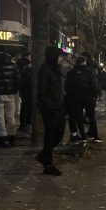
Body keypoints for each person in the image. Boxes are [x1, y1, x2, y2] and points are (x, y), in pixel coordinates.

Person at [35, 47, 66, 176]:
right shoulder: (45, 70)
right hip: (50, 109)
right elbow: (42, 91)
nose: (61, 59)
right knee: (51, 135)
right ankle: (48, 164)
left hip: (58, 107)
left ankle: (44, 155)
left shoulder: (56, 70)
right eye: (59, 56)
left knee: (59, 133)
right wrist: (50, 106)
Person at [65, 56, 100, 142]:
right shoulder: (88, 72)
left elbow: (67, 86)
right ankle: (95, 136)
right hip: (87, 97)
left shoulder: (71, 72)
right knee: (91, 116)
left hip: (75, 97)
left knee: (79, 117)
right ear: (84, 62)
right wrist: (94, 95)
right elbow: (93, 85)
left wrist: (70, 95)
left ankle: (83, 136)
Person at [17, 52, 32, 132]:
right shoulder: (29, 67)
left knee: (24, 108)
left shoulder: (22, 66)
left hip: (24, 90)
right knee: (29, 108)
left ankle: (23, 124)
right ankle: (28, 124)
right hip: (29, 90)